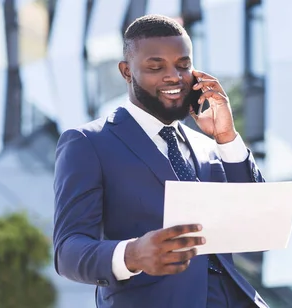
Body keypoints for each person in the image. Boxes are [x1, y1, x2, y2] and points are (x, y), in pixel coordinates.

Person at [53, 14, 267, 308]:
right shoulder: (88, 143)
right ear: (127, 72)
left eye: (183, 65)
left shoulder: (209, 145)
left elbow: (257, 224)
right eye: (156, 67)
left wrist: (227, 138)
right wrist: (133, 254)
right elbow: (67, 251)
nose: (174, 77)